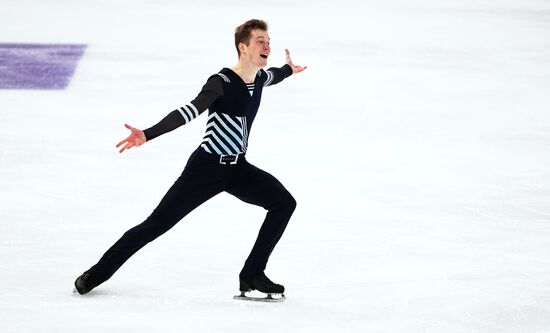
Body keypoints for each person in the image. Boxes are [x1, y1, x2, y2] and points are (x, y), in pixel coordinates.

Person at [74, 19, 306, 298]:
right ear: (243, 47)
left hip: (237, 168)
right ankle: (94, 275)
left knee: (284, 203)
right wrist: (147, 134)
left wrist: (289, 70)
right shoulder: (220, 82)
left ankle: (252, 273)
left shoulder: (258, 78)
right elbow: (189, 111)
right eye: (260, 41)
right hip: (205, 169)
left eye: (268, 40)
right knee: (155, 225)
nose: (267, 45)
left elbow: (275, 75)